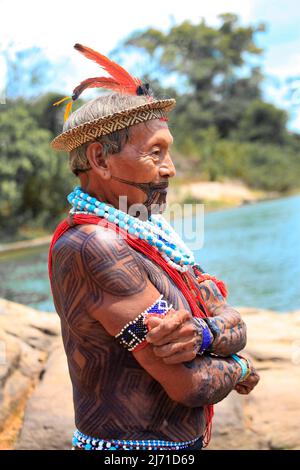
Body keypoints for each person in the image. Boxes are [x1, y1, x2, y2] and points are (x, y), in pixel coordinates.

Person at [48, 44, 260, 451]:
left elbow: (234, 323)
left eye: (169, 151)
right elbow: (189, 384)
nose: (171, 168)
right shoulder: (95, 245)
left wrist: (202, 335)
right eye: (155, 153)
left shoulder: (150, 234)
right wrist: (240, 364)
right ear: (101, 160)